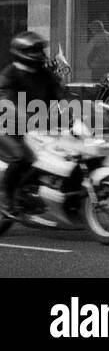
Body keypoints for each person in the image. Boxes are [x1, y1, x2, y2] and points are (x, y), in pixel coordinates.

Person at [0, 32, 69, 218]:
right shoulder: (10, 74)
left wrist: (73, 113)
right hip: (8, 127)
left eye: (40, 50)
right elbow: (4, 99)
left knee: (63, 152)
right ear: (21, 52)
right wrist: (27, 117)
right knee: (21, 157)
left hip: (38, 127)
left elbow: (60, 95)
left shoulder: (44, 74)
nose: (39, 54)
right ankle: (7, 200)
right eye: (33, 50)